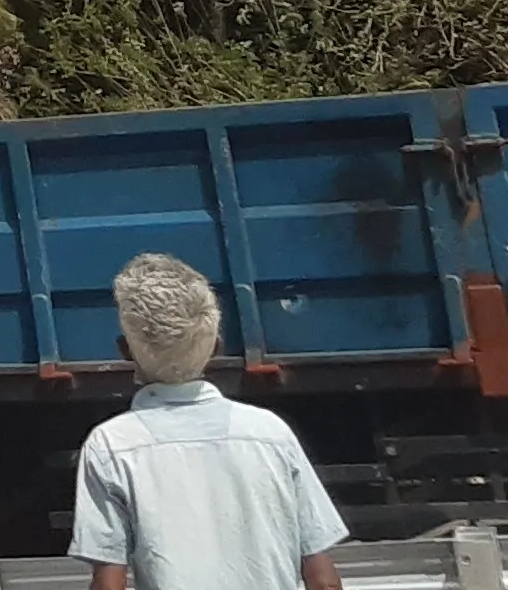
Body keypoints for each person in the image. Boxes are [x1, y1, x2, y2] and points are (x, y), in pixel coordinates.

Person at [72, 252, 346, 590]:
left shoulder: (111, 445)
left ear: (125, 350)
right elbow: (323, 581)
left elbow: (109, 583)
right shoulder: (270, 433)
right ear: (216, 347)